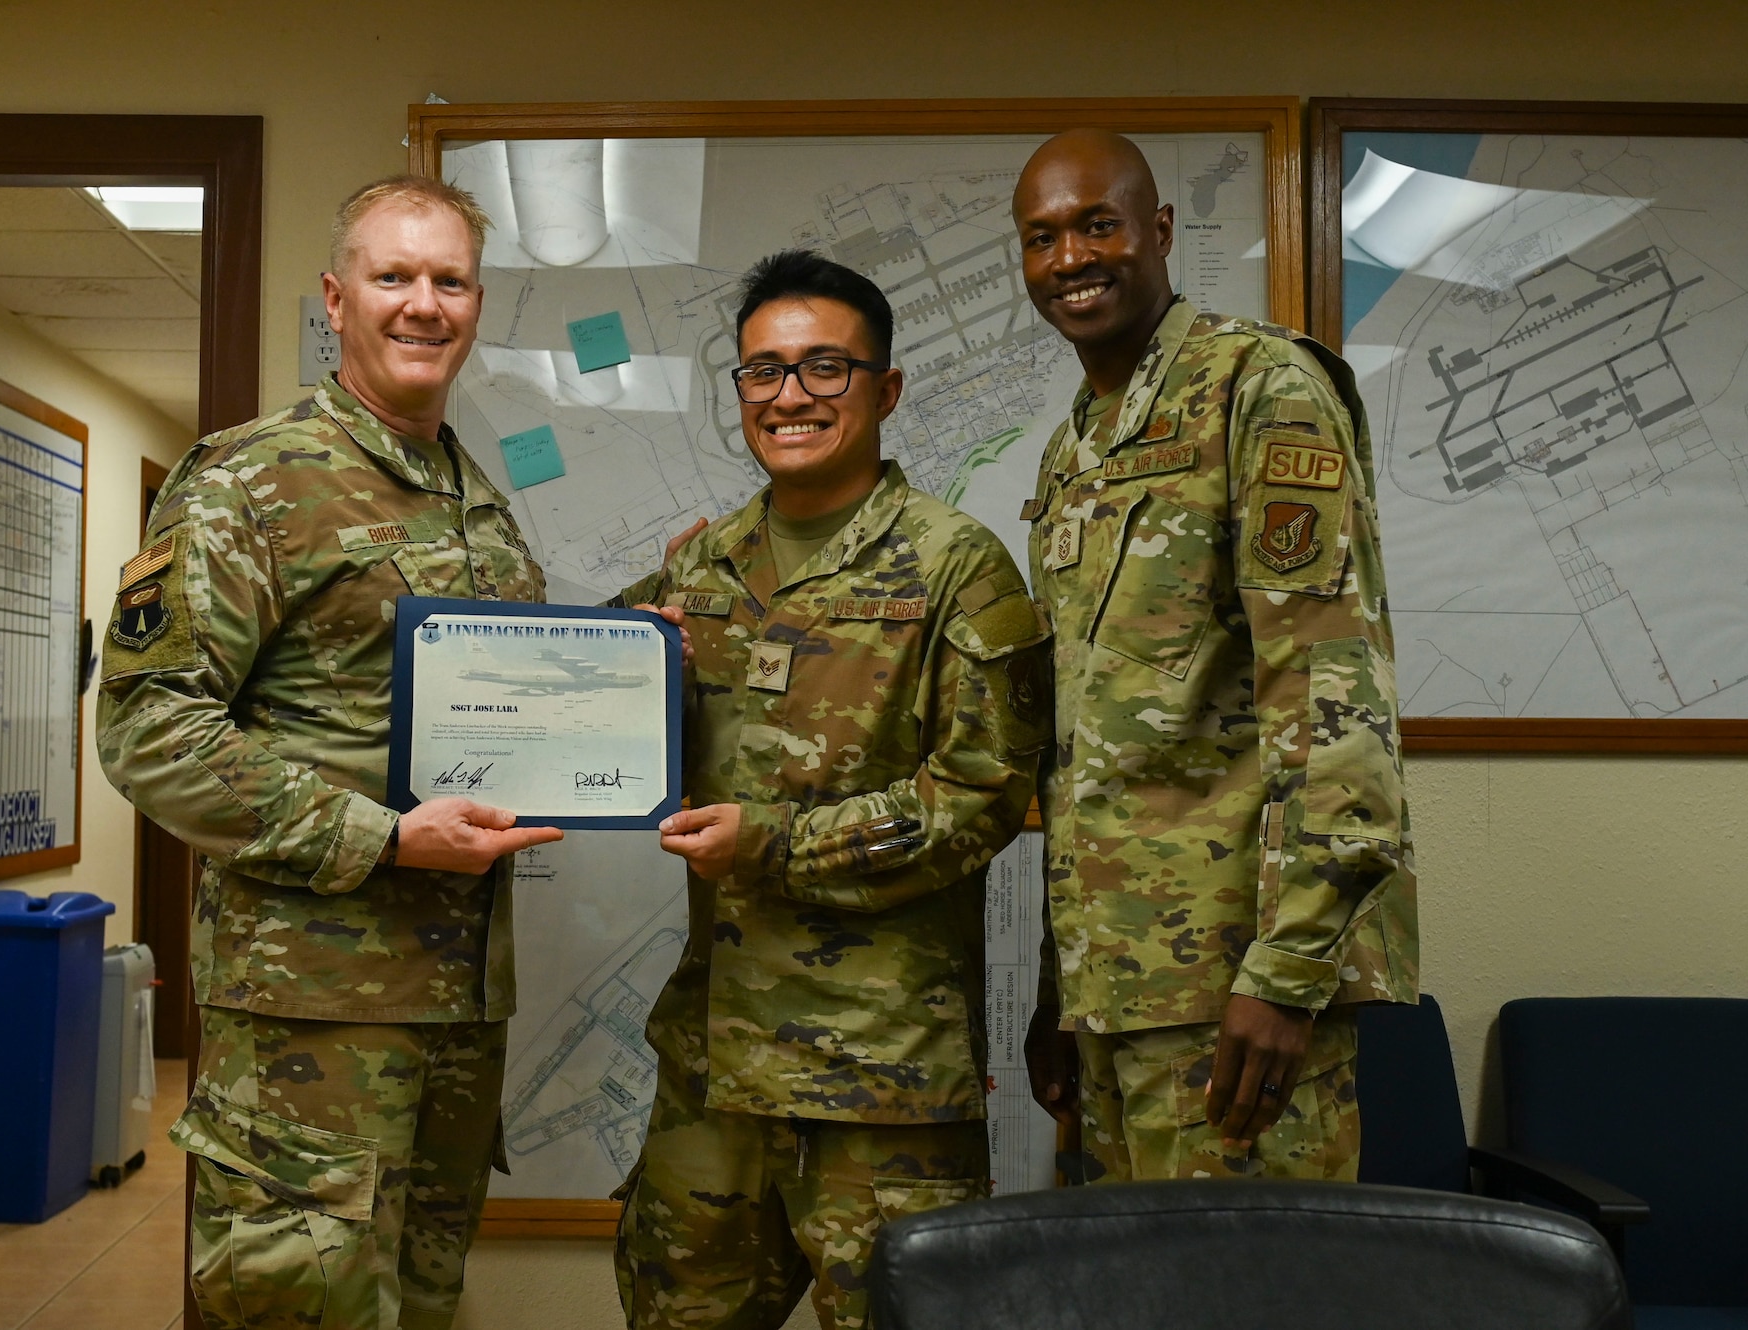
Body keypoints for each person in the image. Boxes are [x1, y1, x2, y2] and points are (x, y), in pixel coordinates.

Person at [97, 175, 562, 1330]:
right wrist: (384, 838)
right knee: (293, 1307)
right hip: (310, 1020)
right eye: (392, 275)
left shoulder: (473, 501)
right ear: (334, 297)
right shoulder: (253, 479)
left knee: (416, 1304)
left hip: (454, 1010)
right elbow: (148, 727)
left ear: (476, 302)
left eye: (447, 280)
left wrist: (632, 654)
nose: (422, 303)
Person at [610, 250, 1051, 1330]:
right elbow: (573, 700)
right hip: (712, 1076)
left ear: (885, 389)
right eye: (761, 372)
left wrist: (775, 844)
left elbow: (979, 800)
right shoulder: (694, 571)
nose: (789, 395)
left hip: (880, 1086)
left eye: (822, 368)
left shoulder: (960, 568)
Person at [1013, 130, 1417, 1183]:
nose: (1069, 258)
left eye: (1096, 224)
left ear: (1155, 232)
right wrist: (1062, 990)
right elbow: (1085, 747)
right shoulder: (1076, 448)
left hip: (1234, 991)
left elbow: (1332, 691)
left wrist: (1285, 972)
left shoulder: (1258, 386)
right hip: (1119, 986)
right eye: (1041, 237)